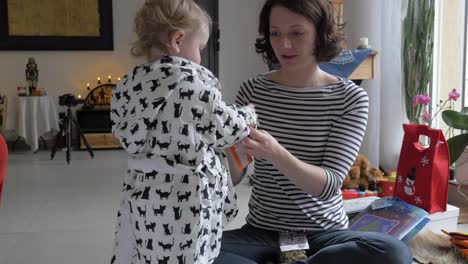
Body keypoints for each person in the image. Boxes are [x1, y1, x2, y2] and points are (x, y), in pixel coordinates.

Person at [215, 0, 413, 263]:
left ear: (320, 34)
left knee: (394, 253)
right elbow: (235, 176)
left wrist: (275, 152)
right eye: (275, 33)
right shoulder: (253, 91)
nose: (284, 44)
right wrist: (230, 151)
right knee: (188, 251)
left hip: (325, 235)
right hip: (260, 233)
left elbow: (329, 185)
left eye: (296, 33)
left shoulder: (349, 98)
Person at [109, 0, 257, 263]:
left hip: (142, 193)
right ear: (177, 40)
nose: (200, 56)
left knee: (148, 251)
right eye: (199, 47)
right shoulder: (192, 86)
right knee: (192, 254)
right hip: (187, 200)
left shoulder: (127, 86)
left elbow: (122, 129)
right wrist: (248, 114)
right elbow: (228, 129)